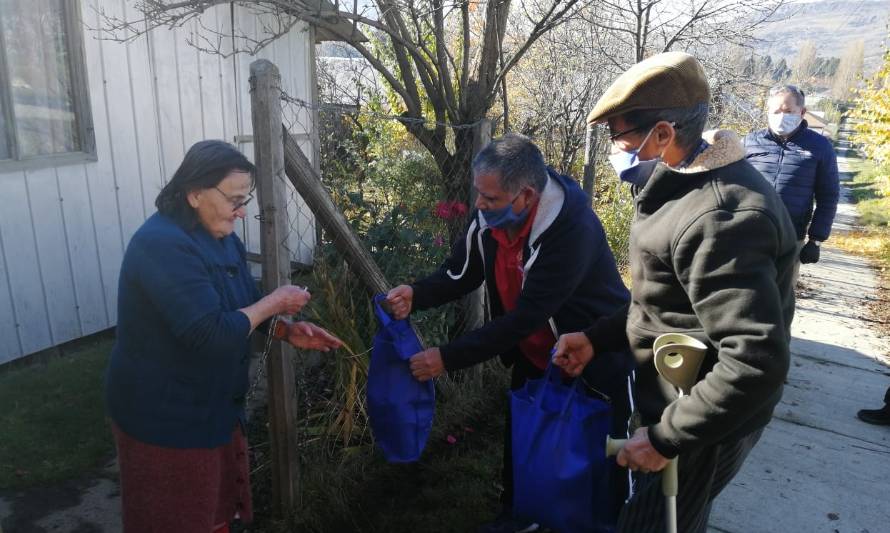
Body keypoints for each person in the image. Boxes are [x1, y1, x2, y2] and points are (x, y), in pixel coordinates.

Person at [553, 52, 799, 533]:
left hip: (701, 423)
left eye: (620, 135)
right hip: (680, 404)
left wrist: (666, 438)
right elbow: (669, 303)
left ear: (663, 134)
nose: (615, 148)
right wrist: (598, 338)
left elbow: (755, 362)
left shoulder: (721, 218)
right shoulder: (680, 184)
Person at [385, 133, 632, 533]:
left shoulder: (572, 229)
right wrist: (417, 294)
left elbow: (526, 317)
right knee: (525, 435)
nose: (480, 205)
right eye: (478, 194)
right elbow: (463, 272)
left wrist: (445, 358)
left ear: (527, 196)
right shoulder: (491, 215)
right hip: (536, 353)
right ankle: (518, 517)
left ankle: (604, 519)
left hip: (594, 350)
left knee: (596, 451)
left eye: (491, 199)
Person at [105, 140, 342, 533]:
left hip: (212, 407)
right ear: (194, 193)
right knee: (174, 520)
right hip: (165, 419)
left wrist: (285, 330)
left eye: (244, 199)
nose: (242, 210)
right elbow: (209, 332)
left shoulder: (221, 236)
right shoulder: (161, 245)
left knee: (214, 515)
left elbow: (241, 302)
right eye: (234, 199)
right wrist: (275, 303)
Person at [744, 84, 840, 280]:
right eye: (776, 111)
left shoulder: (820, 147)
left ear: (802, 112)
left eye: (788, 111)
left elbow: (828, 196)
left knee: (780, 300)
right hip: (748, 236)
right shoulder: (749, 142)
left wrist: (816, 240)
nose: (781, 116)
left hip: (789, 239)